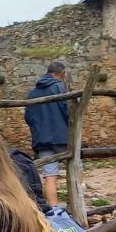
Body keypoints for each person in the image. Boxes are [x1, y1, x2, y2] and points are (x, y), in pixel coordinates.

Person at [23, 61, 71, 208]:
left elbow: (28, 118)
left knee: (50, 176)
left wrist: (39, 130)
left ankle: (54, 211)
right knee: (75, 169)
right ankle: (74, 204)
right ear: (61, 74)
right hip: (63, 138)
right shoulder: (60, 87)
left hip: (42, 140)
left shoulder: (33, 93)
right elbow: (70, 112)